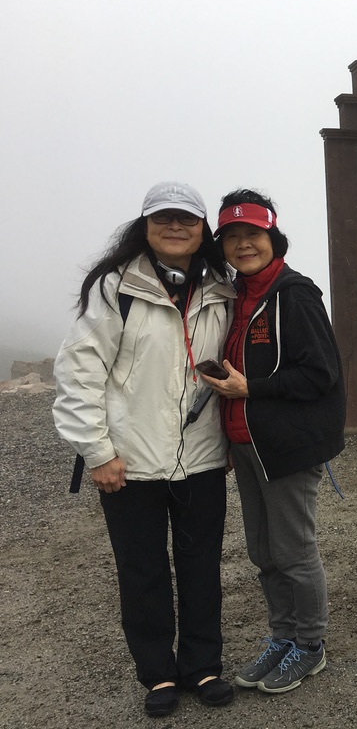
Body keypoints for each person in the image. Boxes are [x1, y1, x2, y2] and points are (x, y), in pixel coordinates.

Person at [52, 182, 237, 717]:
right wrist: (97, 451)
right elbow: (80, 371)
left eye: (187, 219)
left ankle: (203, 666)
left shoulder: (221, 287)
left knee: (202, 568)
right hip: (129, 461)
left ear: (203, 229)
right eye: (163, 218)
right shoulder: (116, 287)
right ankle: (158, 674)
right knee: (142, 571)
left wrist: (229, 438)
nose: (175, 227)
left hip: (202, 456)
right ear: (144, 226)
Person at [202, 188, 345, 694]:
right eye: (232, 236)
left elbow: (321, 374)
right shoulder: (237, 295)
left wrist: (252, 389)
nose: (244, 244)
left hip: (287, 446)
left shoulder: (295, 294)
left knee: (294, 550)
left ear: (273, 238)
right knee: (263, 550)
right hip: (246, 444)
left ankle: (310, 645)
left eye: (253, 234)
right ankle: (283, 637)